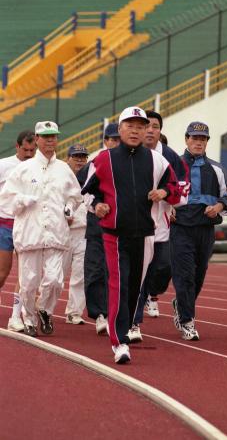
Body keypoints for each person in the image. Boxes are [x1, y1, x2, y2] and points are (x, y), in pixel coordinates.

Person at [82, 106, 182, 364]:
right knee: (118, 284)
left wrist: (164, 194)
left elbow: (177, 190)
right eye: (131, 125)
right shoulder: (103, 159)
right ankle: (119, 342)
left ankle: (123, 328)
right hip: (114, 234)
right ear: (120, 128)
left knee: (135, 288)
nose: (136, 130)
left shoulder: (157, 160)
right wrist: (98, 206)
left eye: (141, 126)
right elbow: (85, 193)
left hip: (146, 234)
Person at [0, 121, 82, 337]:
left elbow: (76, 196)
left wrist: (69, 206)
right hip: (30, 232)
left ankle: (44, 309)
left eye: (53, 137)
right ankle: (28, 318)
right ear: (37, 139)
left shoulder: (64, 169)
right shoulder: (23, 169)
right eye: (45, 137)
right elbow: (6, 200)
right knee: (28, 282)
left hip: (56, 232)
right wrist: (22, 200)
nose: (50, 141)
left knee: (55, 279)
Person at [129, 110, 188, 343]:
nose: (150, 130)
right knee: (137, 276)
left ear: (160, 130)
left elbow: (183, 193)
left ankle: (150, 295)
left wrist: (165, 194)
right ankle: (133, 322)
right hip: (133, 228)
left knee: (163, 268)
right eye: (146, 126)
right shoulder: (127, 155)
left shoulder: (170, 158)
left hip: (161, 229)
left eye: (154, 126)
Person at [170, 121, 227, 341]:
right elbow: (160, 191)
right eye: (194, 138)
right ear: (186, 139)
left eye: (202, 139)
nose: (198, 142)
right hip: (180, 229)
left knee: (198, 275)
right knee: (184, 276)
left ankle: (181, 304)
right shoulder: (172, 164)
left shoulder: (217, 169)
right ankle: (187, 321)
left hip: (205, 231)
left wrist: (218, 207)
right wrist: (167, 208)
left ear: (207, 142)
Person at [77, 123, 120, 335]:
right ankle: (100, 314)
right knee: (95, 269)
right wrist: (96, 206)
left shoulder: (129, 163)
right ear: (105, 141)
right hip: (97, 224)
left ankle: (118, 314)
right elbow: (82, 192)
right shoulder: (94, 164)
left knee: (117, 272)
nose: (114, 143)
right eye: (111, 139)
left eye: (117, 139)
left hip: (122, 225)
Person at [0, 130, 36, 332]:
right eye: (25, 150)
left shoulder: (37, 168)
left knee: (25, 275)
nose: (29, 154)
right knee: (2, 273)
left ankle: (15, 317)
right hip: (5, 223)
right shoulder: (4, 165)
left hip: (28, 224)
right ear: (17, 147)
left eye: (32, 150)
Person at [63, 144, 89, 325]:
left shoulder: (90, 176)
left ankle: (74, 311)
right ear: (68, 158)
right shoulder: (61, 177)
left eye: (83, 157)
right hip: (62, 232)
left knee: (80, 275)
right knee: (55, 275)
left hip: (84, 232)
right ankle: (44, 308)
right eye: (76, 156)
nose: (80, 160)